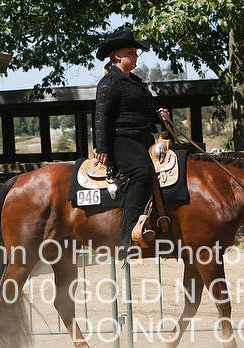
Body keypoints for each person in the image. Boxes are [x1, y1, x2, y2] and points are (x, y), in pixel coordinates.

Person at [93, 29, 170, 258]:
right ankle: (128, 237)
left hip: (142, 137)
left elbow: (144, 110)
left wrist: (159, 115)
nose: (136, 56)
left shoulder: (135, 82)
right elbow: (101, 116)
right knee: (141, 172)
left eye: (136, 53)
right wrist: (101, 147)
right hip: (121, 140)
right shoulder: (109, 82)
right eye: (131, 52)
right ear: (117, 55)